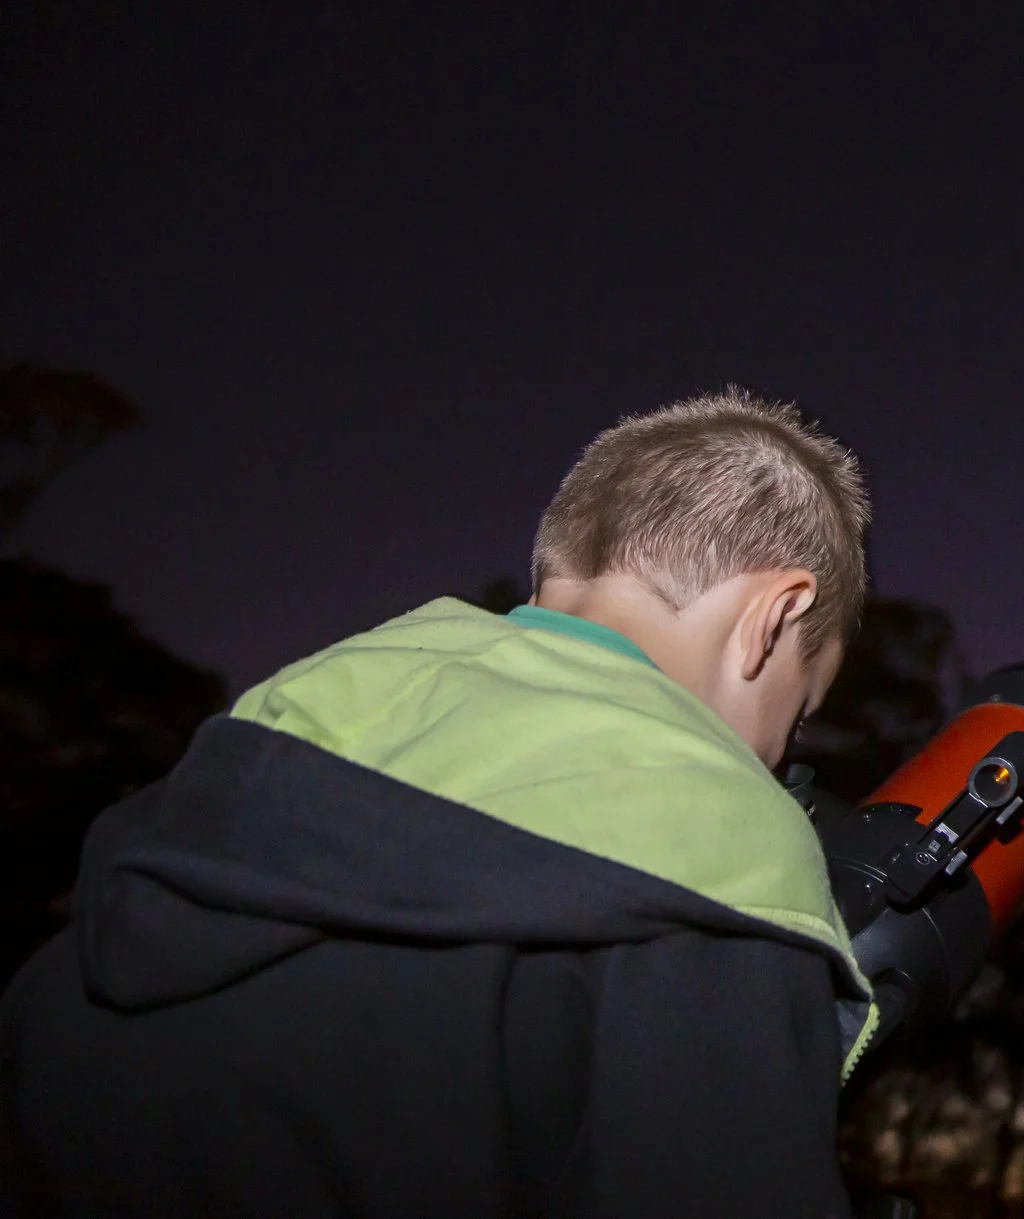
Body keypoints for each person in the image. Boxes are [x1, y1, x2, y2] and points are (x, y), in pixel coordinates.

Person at [0, 389, 880, 1217]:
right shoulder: (716, 841)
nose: (776, 758)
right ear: (775, 613)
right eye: (799, 714)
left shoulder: (262, 749)